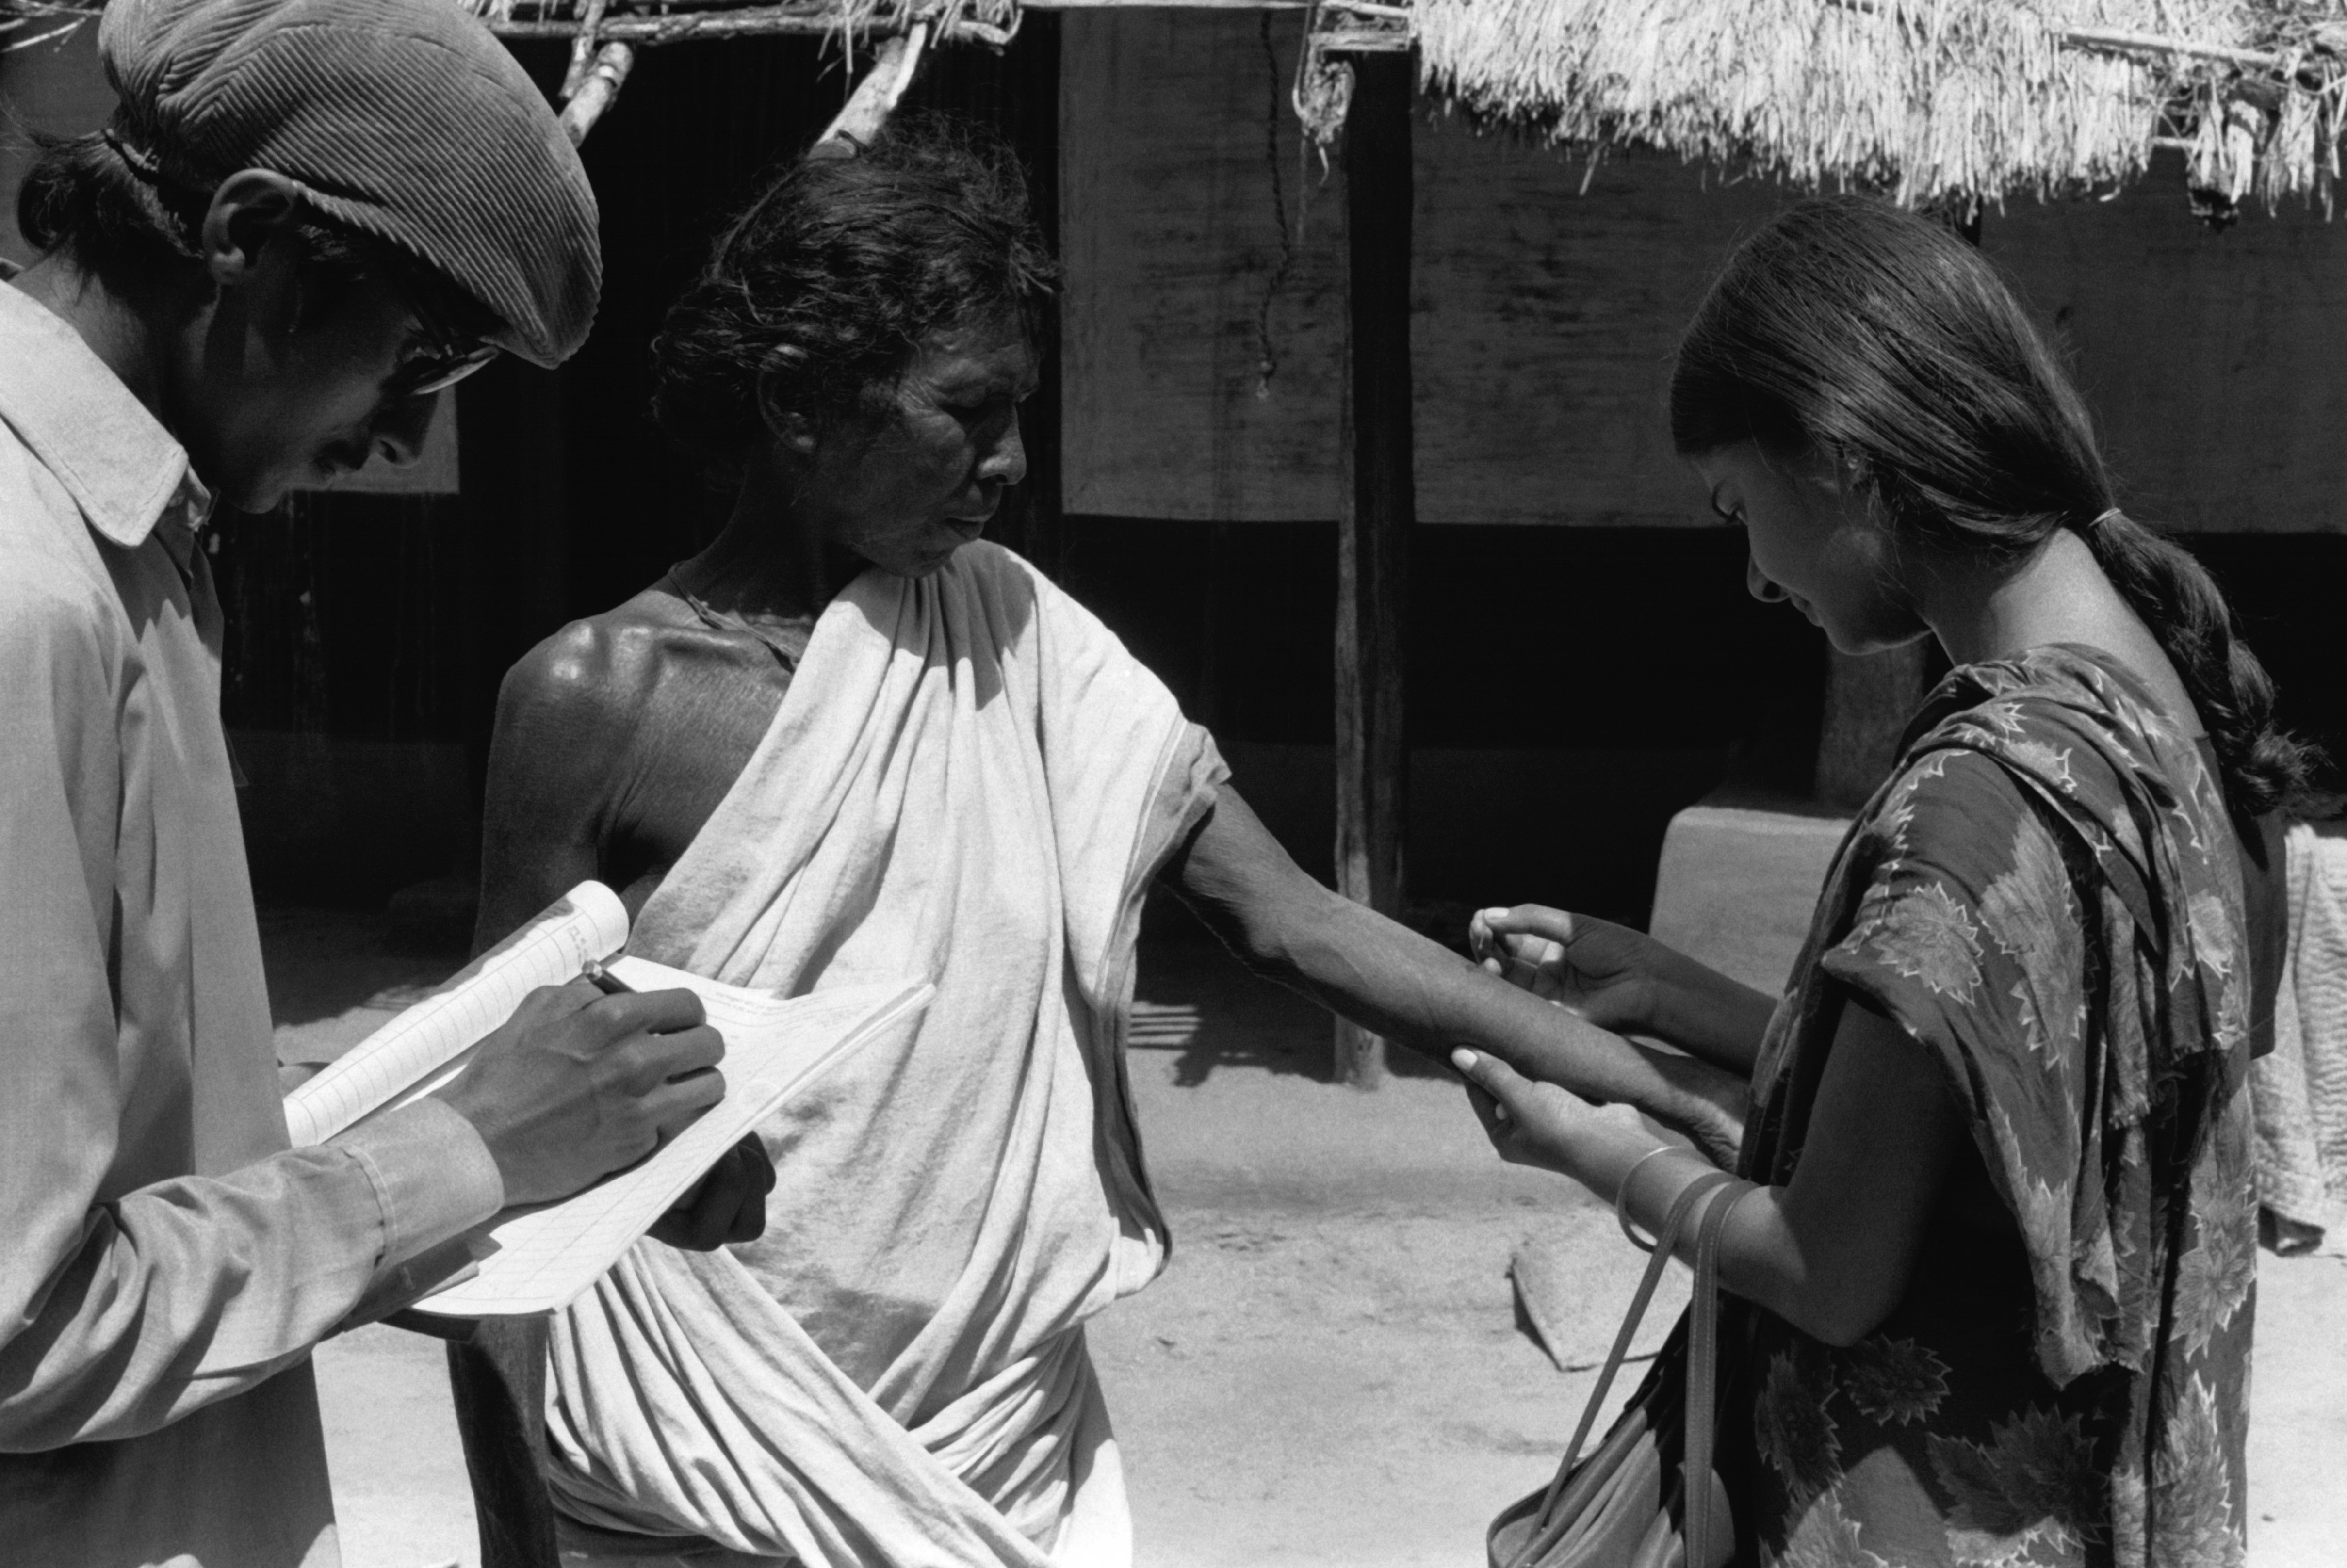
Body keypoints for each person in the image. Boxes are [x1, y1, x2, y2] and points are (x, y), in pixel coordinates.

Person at [459, 122, 1742, 1568]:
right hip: (687, 1450)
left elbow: (1294, 921)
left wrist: (1648, 1088)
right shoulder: (595, 703)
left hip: (996, 1454)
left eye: (1025, 412)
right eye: (968, 408)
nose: (1010, 460)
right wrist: (513, 1538)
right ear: (798, 401)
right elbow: (496, 1162)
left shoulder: (1022, 641)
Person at [0, 2, 767, 1564]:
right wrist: (467, 1148)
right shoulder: (29, 597)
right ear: (255, 242)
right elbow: (23, 1327)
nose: (407, 424)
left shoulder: (131, 549)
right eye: (425, 353)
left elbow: (133, 1162)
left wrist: (539, 1153)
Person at [1449, 195, 2307, 1568]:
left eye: (1739, 509)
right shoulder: (2165, 710)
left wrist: (1599, 1152)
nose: (1751, 576)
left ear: (1839, 457)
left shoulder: (1981, 794)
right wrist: (1670, 988)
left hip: (1925, 1515)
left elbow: (1826, 1266)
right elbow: (1981, 1090)